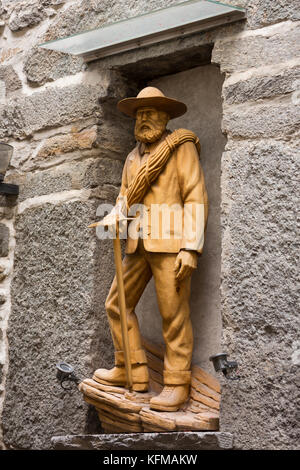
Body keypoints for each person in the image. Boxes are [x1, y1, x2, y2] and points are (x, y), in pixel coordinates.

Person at [94, 87, 208, 411]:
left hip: (170, 244)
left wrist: (190, 247)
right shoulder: (132, 157)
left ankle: (175, 383)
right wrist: (117, 214)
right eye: (139, 114)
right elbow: (124, 196)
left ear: (165, 116)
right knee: (116, 304)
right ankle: (131, 370)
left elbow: (196, 197)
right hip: (137, 243)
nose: (143, 119)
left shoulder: (181, 148)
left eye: (150, 113)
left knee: (173, 315)